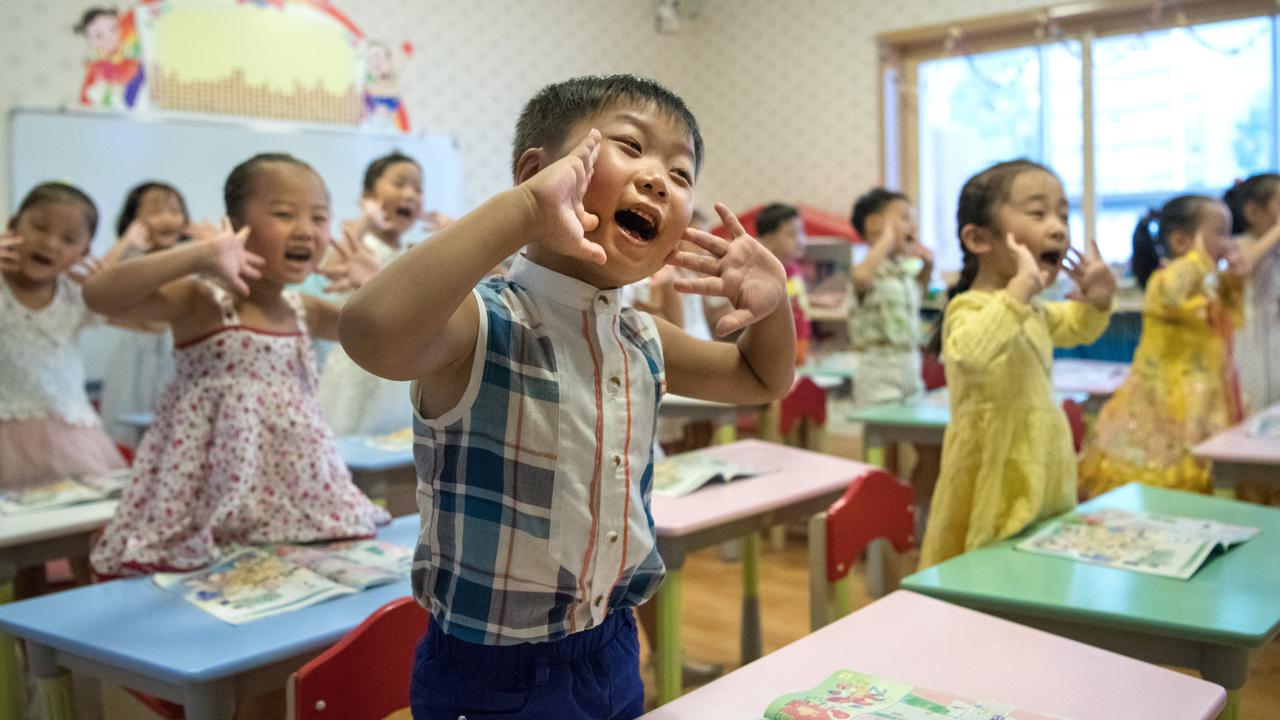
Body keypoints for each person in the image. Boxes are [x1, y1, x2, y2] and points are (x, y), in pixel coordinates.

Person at [339, 74, 795, 720]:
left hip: (611, 643)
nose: (659, 179)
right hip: (490, 671)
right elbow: (370, 332)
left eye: (682, 173)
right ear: (538, 172)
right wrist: (524, 209)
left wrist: (772, 311)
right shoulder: (484, 320)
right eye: (630, 147)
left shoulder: (639, 334)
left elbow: (761, 379)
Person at [84, 153, 389, 577]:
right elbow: (99, 294)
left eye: (319, 217)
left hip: (297, 495)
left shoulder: (304, 309)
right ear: (235, 224)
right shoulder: (203, 300)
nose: (305, 230)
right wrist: (200, 254)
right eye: (283, 214)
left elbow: (391, 333)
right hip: (208, 497)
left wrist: (380, 285)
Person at [918, 160, 1115, 570]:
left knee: (1039, 564)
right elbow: (969, 354)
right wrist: (1019, 291)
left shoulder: (1034, 310)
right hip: (994, 465)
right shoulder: (970, 305)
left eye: (1063, 213)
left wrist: (1097, 300)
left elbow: (1078, 326)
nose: (1059, 227)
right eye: (1038, 213)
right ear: (978, 238)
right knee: (985, 569)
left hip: (1044, 457)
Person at [0, 182, 125, 597]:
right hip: (7, 444)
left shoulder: (75, 297)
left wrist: (110, 283)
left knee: (90, 547)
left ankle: (89, 640)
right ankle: (28, 651)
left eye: (69, 239)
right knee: (23, 555)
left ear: (83, 254)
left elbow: (142, 317)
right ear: (12, 226)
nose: (51, 243)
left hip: (73, 440)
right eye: (39, 227)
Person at [1078, 196, 1246, 497]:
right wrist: (1198, 260)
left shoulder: (1208, 284)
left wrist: (1232, 278)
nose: (1228, 241)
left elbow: (1233, 317)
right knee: (1166, 480)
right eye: (1219, 232)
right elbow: (1173, 293)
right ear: (1181, 240)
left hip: (1206, 399)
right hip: (1164, 405)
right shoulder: (1163, 279)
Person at [317, 151, 450, 436]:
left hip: (395, 375)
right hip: (354, 369)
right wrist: (366, 218)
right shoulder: (359, 243)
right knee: (347, 438)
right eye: (400, 183)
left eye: (418, 188)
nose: (410, 194)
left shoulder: (410, 253)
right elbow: (327, 270)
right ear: (368, 194)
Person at [848, 188, 939, 527]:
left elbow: (919, 290)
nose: (911, 224)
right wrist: (885, 242)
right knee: (882, 457)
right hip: (877, 370)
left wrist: (927, 266)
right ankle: (877, 524)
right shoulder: (866, 269)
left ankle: (912, 518)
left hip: (908, 369)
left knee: (930, 450)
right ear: (874, 224)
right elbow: (860, 279)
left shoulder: (903, 273)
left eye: (913, 219)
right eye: (903, 217)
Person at [98, 181, 190, 446]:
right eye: (155, 211)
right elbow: (96, 285)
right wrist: (127, 242)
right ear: (133, 219)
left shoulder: (189, 258)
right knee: (133, 439)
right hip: (135, 359)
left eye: (175, 210)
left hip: (179, 356)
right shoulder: (129, 261)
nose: (168, 219)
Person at [1224, 174, 1280, 415]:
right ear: (1253, 212)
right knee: (1252, 404)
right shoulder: (1239, 244)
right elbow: (1244, 263)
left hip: (1273, 335)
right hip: (1249, 337)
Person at [755, 202, 810, 363]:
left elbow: (793, 297)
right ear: (768, 240)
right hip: (779, 350)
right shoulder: (765, 274)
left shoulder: (794, 268)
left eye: (802, 232)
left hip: (800, 343)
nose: (801, 240)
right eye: (792, 234)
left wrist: (819, 300)